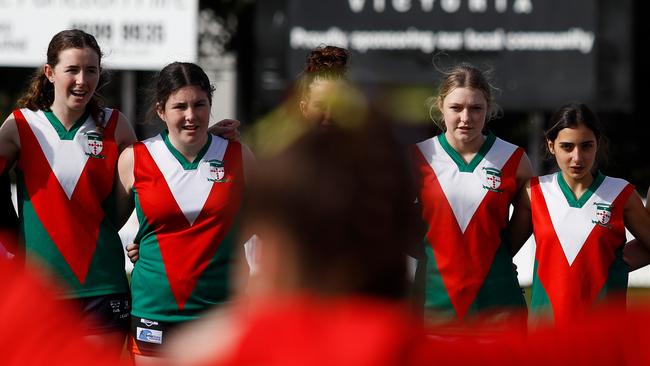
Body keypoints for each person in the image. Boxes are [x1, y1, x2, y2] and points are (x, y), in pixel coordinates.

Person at [0, 29, 136, 352]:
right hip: (38, 293)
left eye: (91, 70)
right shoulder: (20, 125)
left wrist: (205, 139)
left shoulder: (116, 125)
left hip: (103, 287)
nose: (82, 80)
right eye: (72, 70)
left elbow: (159, 171)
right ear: (49, 73)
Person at [112, 61, 254, 363]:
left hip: (221, 312)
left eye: (200, 104)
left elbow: (265, 226)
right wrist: (139, 244)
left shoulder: (239, 156)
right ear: (161, 110)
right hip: (155, 312)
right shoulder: (133, 160)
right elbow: (104, 222)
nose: (191, 115)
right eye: (180, 107)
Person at [508, 102, 650, 326]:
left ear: (598, 144)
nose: (577, 157)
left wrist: (610, 264)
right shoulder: (533, 192)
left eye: (586, 146)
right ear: (551, 145)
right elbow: (500, 255)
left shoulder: (622, 194)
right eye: (567, 147)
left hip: (603, 338)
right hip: (545, 338)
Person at [411, 64, 531, 327]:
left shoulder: (515, 160)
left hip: (499, 306)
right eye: (456, 108)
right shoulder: (417, 158)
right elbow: (391, 220)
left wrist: (494, 255)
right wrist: (432, 255)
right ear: (441, 106)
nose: (466, 117)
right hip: (431, 305)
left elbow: (525, 222)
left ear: (488, 109)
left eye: (476, 108)